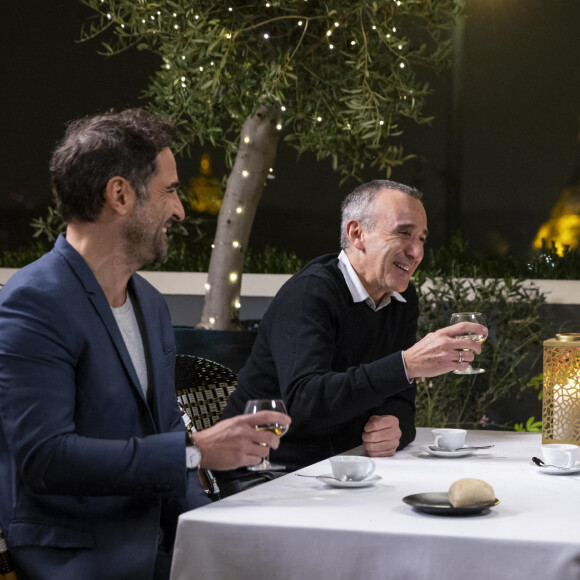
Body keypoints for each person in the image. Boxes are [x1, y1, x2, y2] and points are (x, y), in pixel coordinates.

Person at [0, 108, 290, 580]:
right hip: (79, 556)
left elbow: (165, 438)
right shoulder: (34, 302)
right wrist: (194, 451)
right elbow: (45, 459)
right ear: (119, 195)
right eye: (170, 190)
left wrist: (212, 531)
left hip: (159, 541)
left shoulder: (150, 304)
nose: (179, 209)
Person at [219, 180, 487, 477]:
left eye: (422, 238)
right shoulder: (310, 293)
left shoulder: (402, 299)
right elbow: (304, 404)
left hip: (346, 466)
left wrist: (395, 426)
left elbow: (400, 402)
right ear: (357, 234)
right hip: (268, 472)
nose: (417, 251)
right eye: (403, 233)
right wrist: (406, 365)